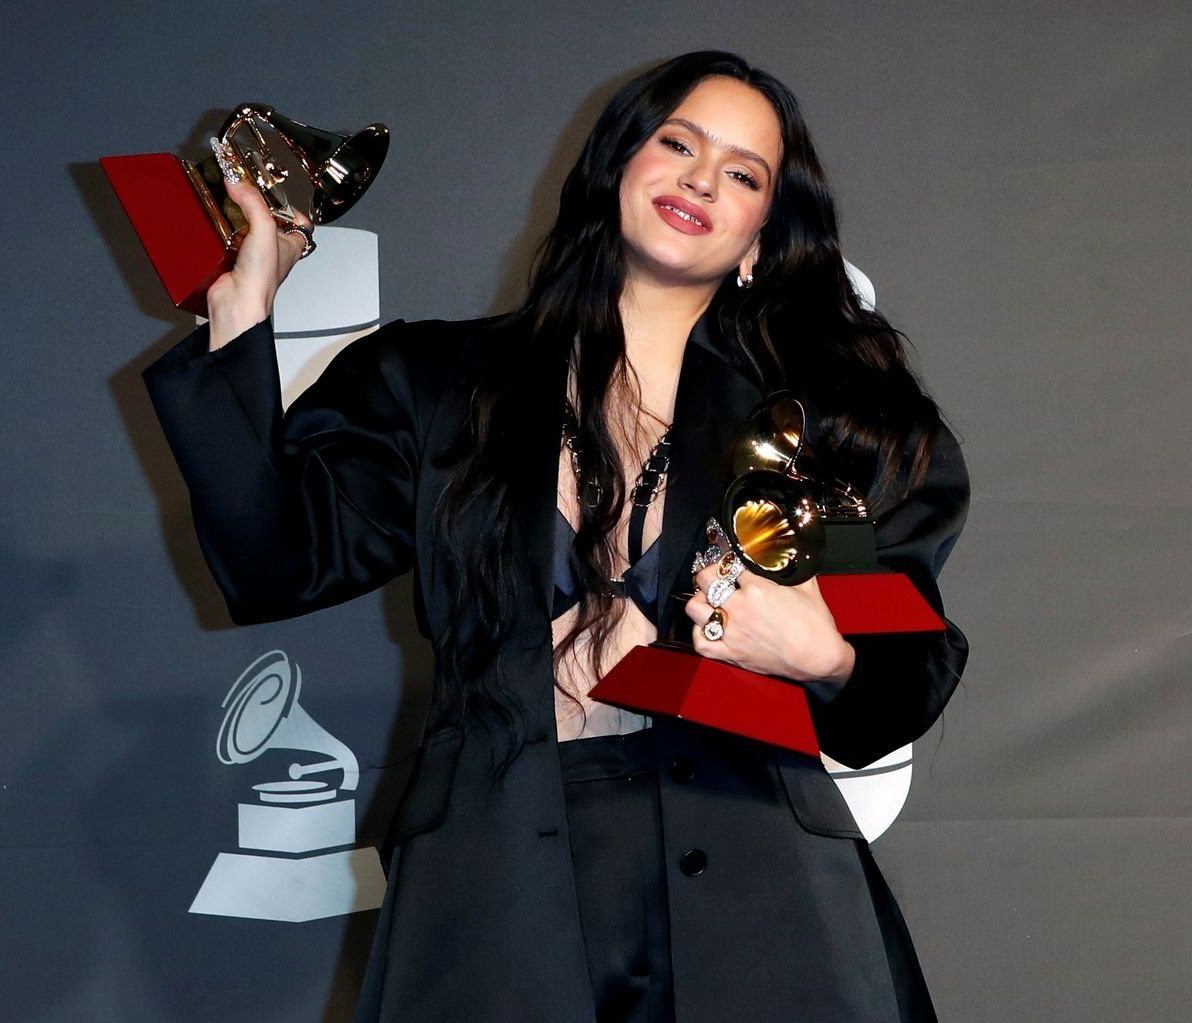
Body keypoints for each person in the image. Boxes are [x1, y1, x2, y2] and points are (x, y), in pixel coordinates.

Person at [144, 50, 969, 1023]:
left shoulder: (823, 427)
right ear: (613, 167)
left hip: (758, 883)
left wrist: (824, 653)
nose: (703, 178)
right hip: (493, 876)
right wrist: (241, 314)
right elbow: (271, 561)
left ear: (757, 241)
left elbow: (900, 665)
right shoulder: (432, 381)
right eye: (678, 144)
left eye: (743, 173)